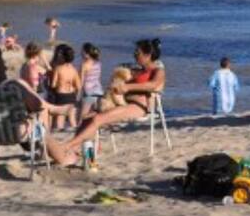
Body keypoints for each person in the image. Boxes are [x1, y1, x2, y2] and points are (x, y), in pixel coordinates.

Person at [47, 38, 165, 167]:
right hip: (123, 103)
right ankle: (83, 155)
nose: (134, 55)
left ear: (148, 55)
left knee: (98, 119)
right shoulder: (137, 70)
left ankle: (68, 146)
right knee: (87, 118)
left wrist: (128, 87)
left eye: (138, 53)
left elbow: (154, 85)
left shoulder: (158, 71)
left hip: (139, 107)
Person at [47, 43, 82, 130]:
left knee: (60, 116)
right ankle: (75, 132)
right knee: (72, 117)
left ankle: (59, 134)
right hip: (71, 95)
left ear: (63, 57)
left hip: (61, 95)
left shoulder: (58, 69)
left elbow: (53, 84)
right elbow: (79, 86)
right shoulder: (74, 69)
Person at [79, 42, 104, 118]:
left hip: (89, 92)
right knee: (96, 113)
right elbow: (98, 77)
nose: (80, 53)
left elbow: (81, 80)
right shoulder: (98, 63)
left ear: (86, 53)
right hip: (98, 90)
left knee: (83, 116)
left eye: (82, 51)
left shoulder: (84, 65)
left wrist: (78, 93)